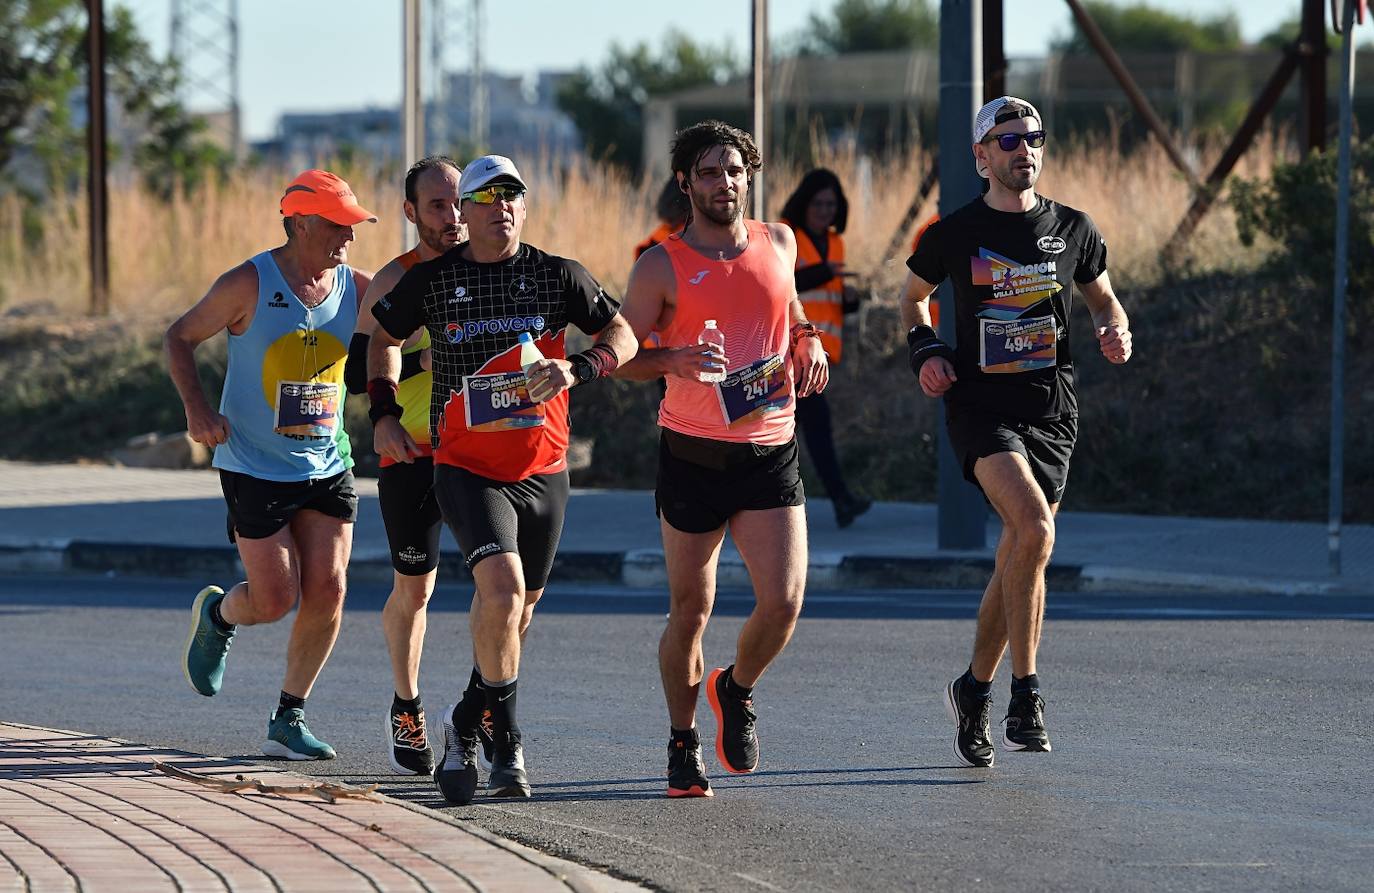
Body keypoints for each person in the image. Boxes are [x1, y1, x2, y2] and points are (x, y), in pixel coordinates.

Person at [366, 154, 638, 804]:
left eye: (512, 195)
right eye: (487, 198)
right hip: (465, 466)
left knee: (518, 612)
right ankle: (508, 746)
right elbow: (383, 338)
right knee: (503, 589)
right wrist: (381, 412)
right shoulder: (434, 280)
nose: (503, 208)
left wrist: (581, 367)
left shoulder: (556, 275)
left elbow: (623, 331)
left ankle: (466, 718)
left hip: (544, 470)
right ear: (464, 211)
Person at [902, 97, 1132, 766]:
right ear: (982, 157)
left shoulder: (1074, 228)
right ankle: (1025, 693)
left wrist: (1114, 328)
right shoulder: (955, 232)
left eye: (1032, 137)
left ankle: (972, 688)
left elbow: (1103, 296)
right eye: (1007, 140)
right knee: (1033, 529)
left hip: (1052, 410)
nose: (1022, 148)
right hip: (982, 406)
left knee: (1018, 554)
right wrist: (927, 349)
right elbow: (912, 296)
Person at [614, 121, 829, 798]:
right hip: (693, 454)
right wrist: (671, 358)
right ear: (686, 183)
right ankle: (683, 741)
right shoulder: (660, 263)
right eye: (708, 172)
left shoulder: (779, 240)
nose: (724, 183)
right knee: (691, 608)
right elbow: (623, 353)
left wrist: (808, 336)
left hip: (769, 447)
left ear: (748, 175)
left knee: (786, 600)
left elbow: (788, 302)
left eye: (733, 170)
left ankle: (734, 687)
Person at [168, 169, 376, 760]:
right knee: (276, 598)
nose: (349, 238)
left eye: (354, 226)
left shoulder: (356, 287)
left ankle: (290, 714)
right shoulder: (248, 283)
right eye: (339, 226)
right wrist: (198, 410)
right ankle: (219, 613)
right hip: (254, 463)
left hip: (327, 460)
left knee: (331, 589)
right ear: (303, 222)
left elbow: (410, 324)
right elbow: (179, 338)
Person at [342, 155, 463, 776]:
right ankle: (407, 701)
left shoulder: (498, 268)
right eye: (437, 205)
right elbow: (361, 367)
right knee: (415, 589)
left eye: (460, 201)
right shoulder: (394, 279)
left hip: (485, 453)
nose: (453, 216)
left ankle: (482, 709)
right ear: (412, 212)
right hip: (413, 450)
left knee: (515, 591)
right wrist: (412, 367)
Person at [778, 169, 871, 528]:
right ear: (805, 203)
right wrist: (821, 273)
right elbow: (780, 282)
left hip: (820, 353)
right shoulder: (786, 234)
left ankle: (834, 499)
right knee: (814, 428)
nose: (825, 211)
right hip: (789, 349)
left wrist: (850, 301)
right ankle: (839, 499)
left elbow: (828, 298)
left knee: (799, 431)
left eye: (831, 204)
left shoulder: (835, 242)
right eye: (818, 203)